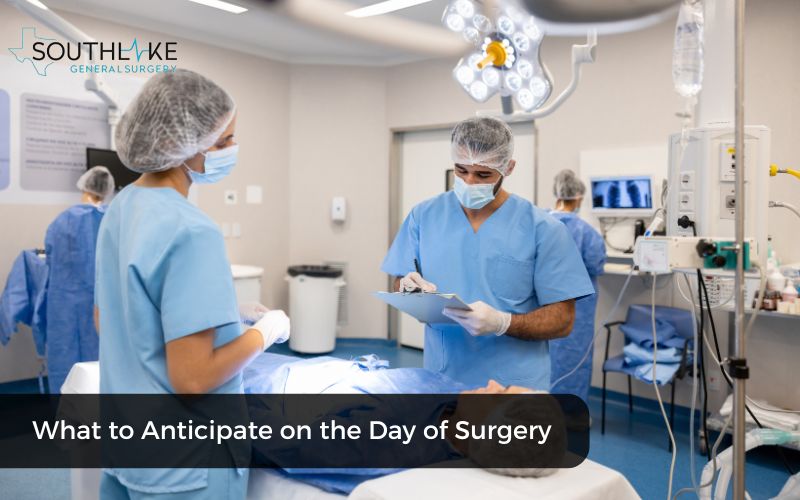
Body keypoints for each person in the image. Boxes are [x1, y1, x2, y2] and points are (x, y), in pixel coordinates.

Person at [94, 69, 290, 500]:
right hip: (186, 464)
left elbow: (111, 317)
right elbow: (193, 378)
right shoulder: (191, 230)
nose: (232, 149)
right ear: (177, 146)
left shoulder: (120, 208)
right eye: (223, 141)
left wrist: (221, 315)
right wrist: (264, 332)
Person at [381, 117, 595, 390]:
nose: (470, 182)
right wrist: (407, 287)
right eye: (461, 171)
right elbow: (399, 281)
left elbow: (563, 320)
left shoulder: (542, 229)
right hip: (442, 379)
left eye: (483, 175)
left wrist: (503, 322)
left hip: (514, 388)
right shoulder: (423, 216)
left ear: (508, 167)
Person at [42, 166, 114, 393]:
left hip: (63, 305)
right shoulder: (111, 219)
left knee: (65, 365)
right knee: (99, 366)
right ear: (108, 190)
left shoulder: (62, 221)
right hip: (101, 306)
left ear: (84, 186)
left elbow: (50, 258)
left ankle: (67, 422)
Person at [548, 169, 607, 404]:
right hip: (575, 309)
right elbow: (596, 265)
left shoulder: (540, 224)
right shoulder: (586, 233)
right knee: (573, 358)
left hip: (538, 306)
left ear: (556, 194)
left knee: (540, 356)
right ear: (579, 198)